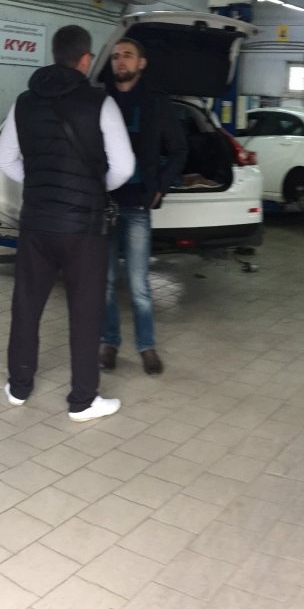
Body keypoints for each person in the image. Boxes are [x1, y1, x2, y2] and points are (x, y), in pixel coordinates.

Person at [0, 25, 135, 422]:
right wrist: (93, 190)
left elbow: (4, 160)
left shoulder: (24, 102)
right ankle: (83, 401)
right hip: (84, 228)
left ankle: (19, 387)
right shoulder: (101, 103)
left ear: (54, 54)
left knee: (26, 306)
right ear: (85, 59)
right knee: (85, 312)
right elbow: (124, 167)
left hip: (36, 223)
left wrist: (42, 185)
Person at [100, 37, 186, 376]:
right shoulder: (100, 100)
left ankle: (146, 346)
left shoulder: (156, 103)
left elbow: (178, 149)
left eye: (128, 55)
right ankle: (109, 342)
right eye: (115, 57)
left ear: (141, 63)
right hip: (104, 205)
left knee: (139, 284)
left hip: (138, 206)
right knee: (106, 282)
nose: (120, 61)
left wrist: (160, 188)